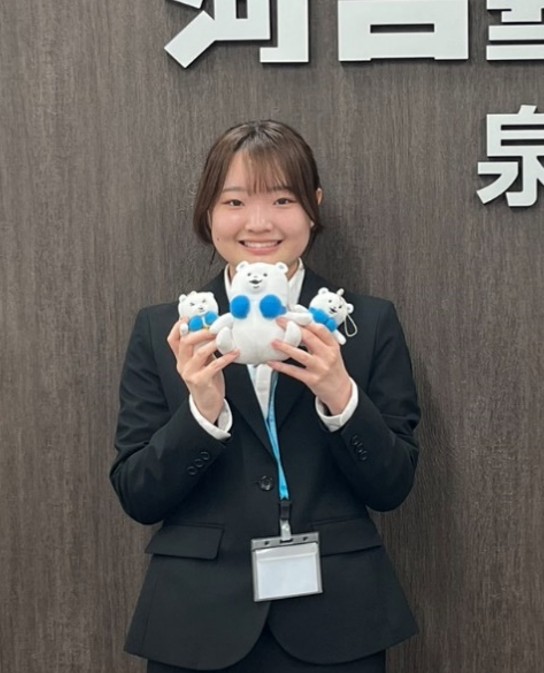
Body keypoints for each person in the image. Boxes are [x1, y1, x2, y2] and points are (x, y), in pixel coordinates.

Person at [111, 120, 420, 673]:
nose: (258, 223)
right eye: (234, 201)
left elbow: (392, 486)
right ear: (208, 212)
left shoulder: (366, 323)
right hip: (196, 622)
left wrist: (341, 396)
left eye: (282, 199)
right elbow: (138, 496)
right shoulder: (168, 331)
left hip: (339, 618)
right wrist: (202, 412)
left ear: (312, 207)